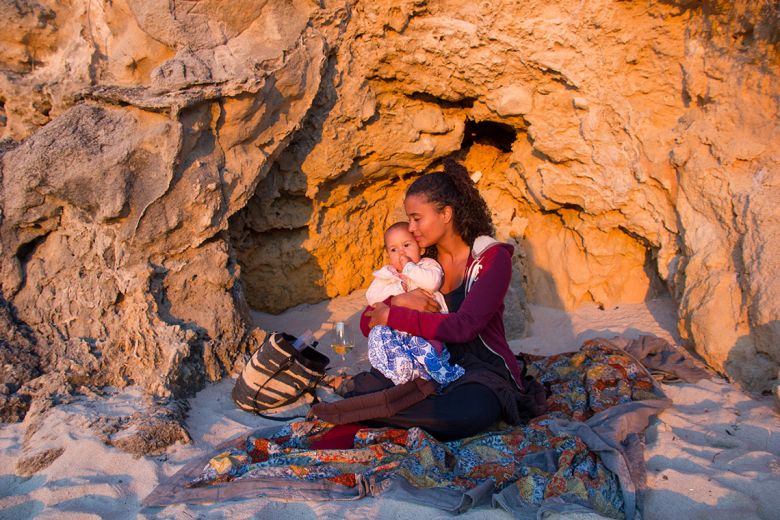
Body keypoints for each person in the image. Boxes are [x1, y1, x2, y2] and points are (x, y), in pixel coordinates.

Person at [343, 158, 546, 441]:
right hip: (432, 359)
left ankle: (365, 411)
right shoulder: (423, 264)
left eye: (417, 218)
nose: (411, 228)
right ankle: (371, 407)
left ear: (446, 214)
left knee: (468, 412)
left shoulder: (491, 259)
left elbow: (465, 327)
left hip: (481, 367)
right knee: (363, 385)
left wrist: (393, 315)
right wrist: (398, 303)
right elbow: (369, 322)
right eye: (409, 219)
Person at [365, 222, 464, 386]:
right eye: (394, 249)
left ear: (421, 248)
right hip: (400, 332)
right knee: (380, 333)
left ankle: (436, 367)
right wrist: (397, 291)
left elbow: (432, 283)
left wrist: (409, 268)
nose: (401, 252)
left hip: (426, 327)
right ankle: (401, 368)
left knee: (430, 346)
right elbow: (372, 297)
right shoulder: (387, 274)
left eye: (406, 245)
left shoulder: (426, 265)